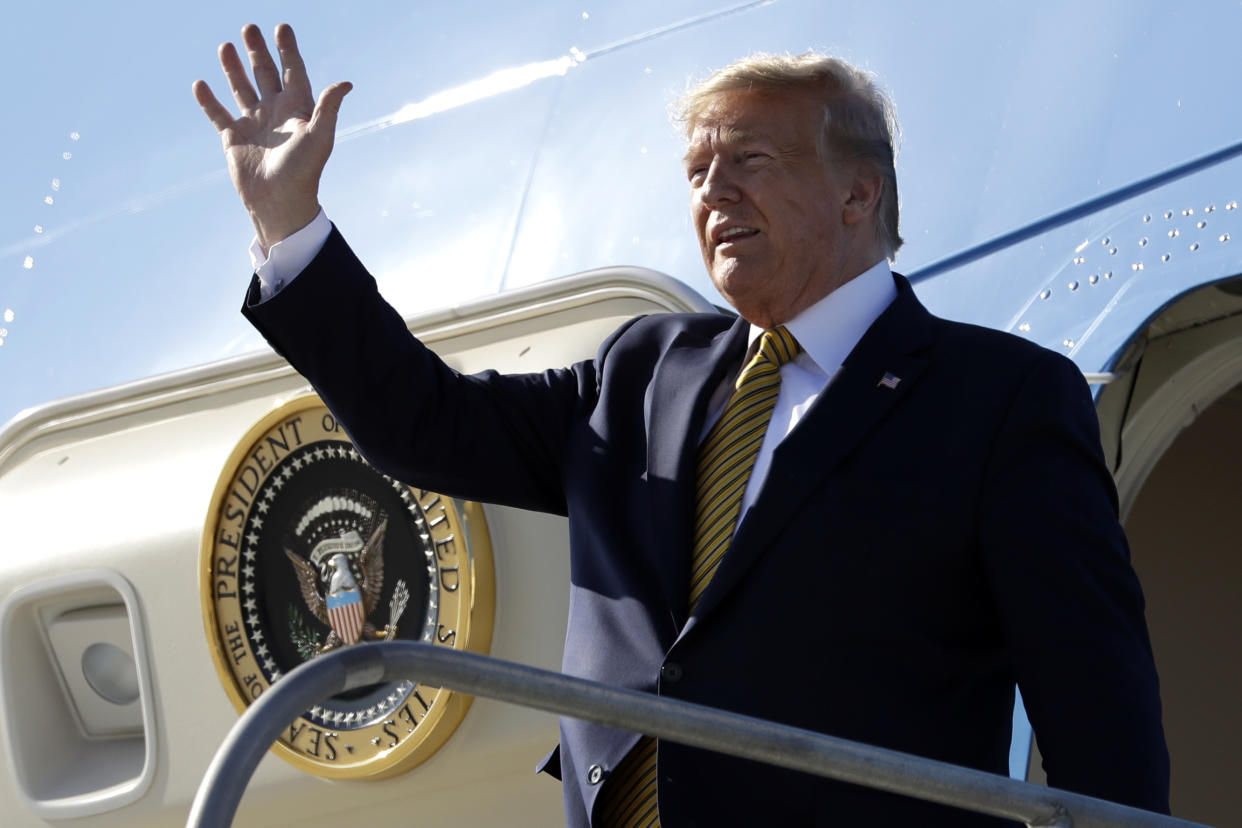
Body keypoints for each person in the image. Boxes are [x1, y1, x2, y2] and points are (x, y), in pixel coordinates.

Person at [194, 24, 1170, 827]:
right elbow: (429, 426)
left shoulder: (998, 400)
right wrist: (292, 225)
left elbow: (1097, 713)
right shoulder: (644, 370)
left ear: (858, 191)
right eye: (699, 171)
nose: (713, 193)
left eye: (750, 160)